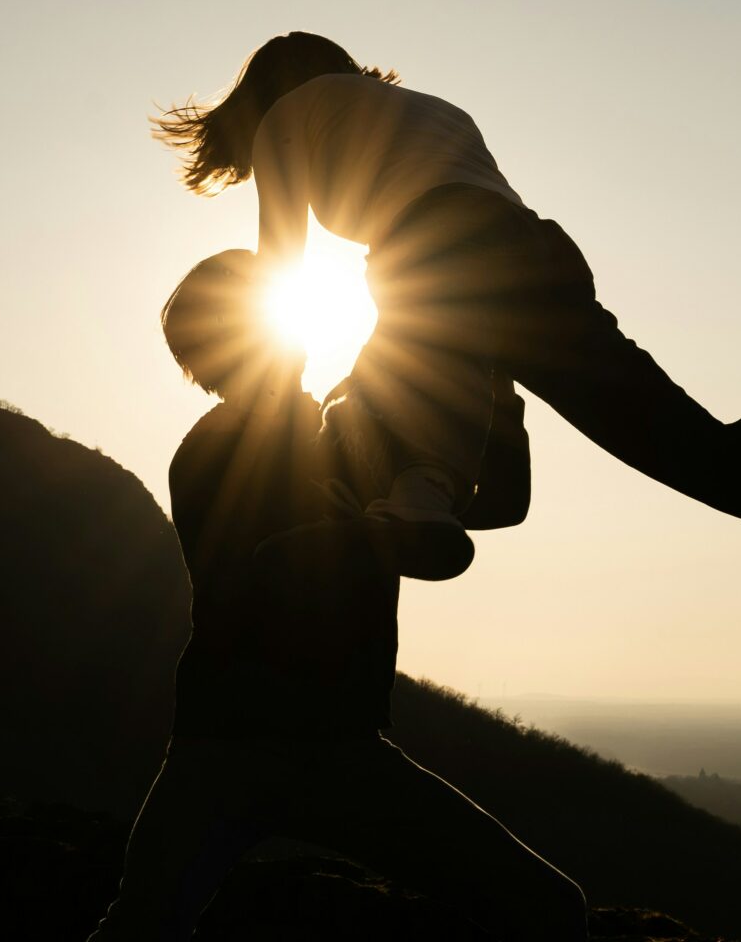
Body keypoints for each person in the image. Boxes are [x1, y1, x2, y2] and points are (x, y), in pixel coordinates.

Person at [153, 32, 741, 601]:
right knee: (715, 460)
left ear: (266, 93)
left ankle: (422, 494)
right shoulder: (427, 109)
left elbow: (281, 274)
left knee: (398, 356)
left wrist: (283, 404)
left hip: (446, 261)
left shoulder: (288, 118)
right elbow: (472, 273)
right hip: (534, 263)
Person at [87, 250, 580, 942]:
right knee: (142, 928)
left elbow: (499, 503)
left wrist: (496, 394)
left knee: (548, 909)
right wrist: (382, 533)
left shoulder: (349, 432)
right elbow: (264, 570)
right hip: (231, 743)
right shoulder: (212, 452)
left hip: (335, 743)